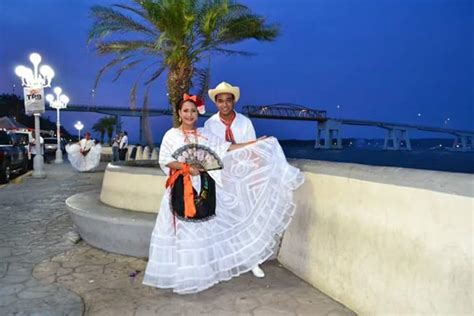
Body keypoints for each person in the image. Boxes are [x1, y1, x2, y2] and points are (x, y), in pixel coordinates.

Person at [143, 94, 303, 294]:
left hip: (203, 187)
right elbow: (165, 159)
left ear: (197, 113)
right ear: (179, 113)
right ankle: (181, 275)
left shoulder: (205, 135)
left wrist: (254, 144)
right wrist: (185, 166)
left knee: (199, 229)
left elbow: (228, 148)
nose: (190, 115)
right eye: (185, 111)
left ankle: (198, 274)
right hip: (180, 188)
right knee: (181, 230)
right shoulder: (171, 135)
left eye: (193, 111)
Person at [205, 81, 264, 277]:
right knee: (221, 220)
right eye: (220, 101)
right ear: (215, 103)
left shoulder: (245, 122)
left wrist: (255, 176)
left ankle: (252, 260)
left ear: (233, 102)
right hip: (221, 178)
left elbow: (254, 150)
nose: (224, 105)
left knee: (246, 218)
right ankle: (223, 262)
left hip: (243, 177)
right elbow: (212, 152)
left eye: (228, 100)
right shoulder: (209, 125)